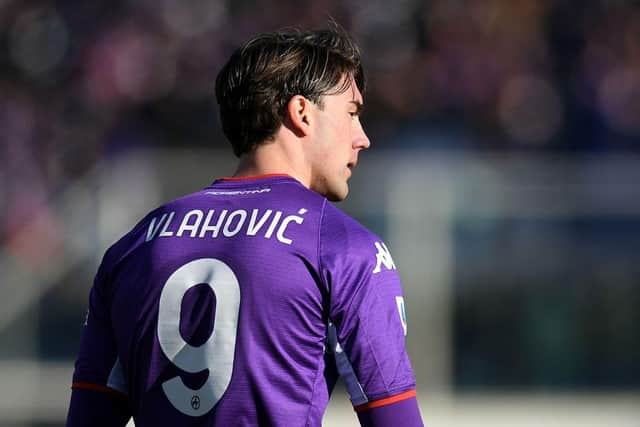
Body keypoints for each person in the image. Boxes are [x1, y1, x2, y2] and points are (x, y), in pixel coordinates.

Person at [66, 25, 424, 427]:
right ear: (302, 112)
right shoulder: (344, 248)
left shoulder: (134, 246)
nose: (363, 138)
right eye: (353, 113)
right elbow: (396, 420)